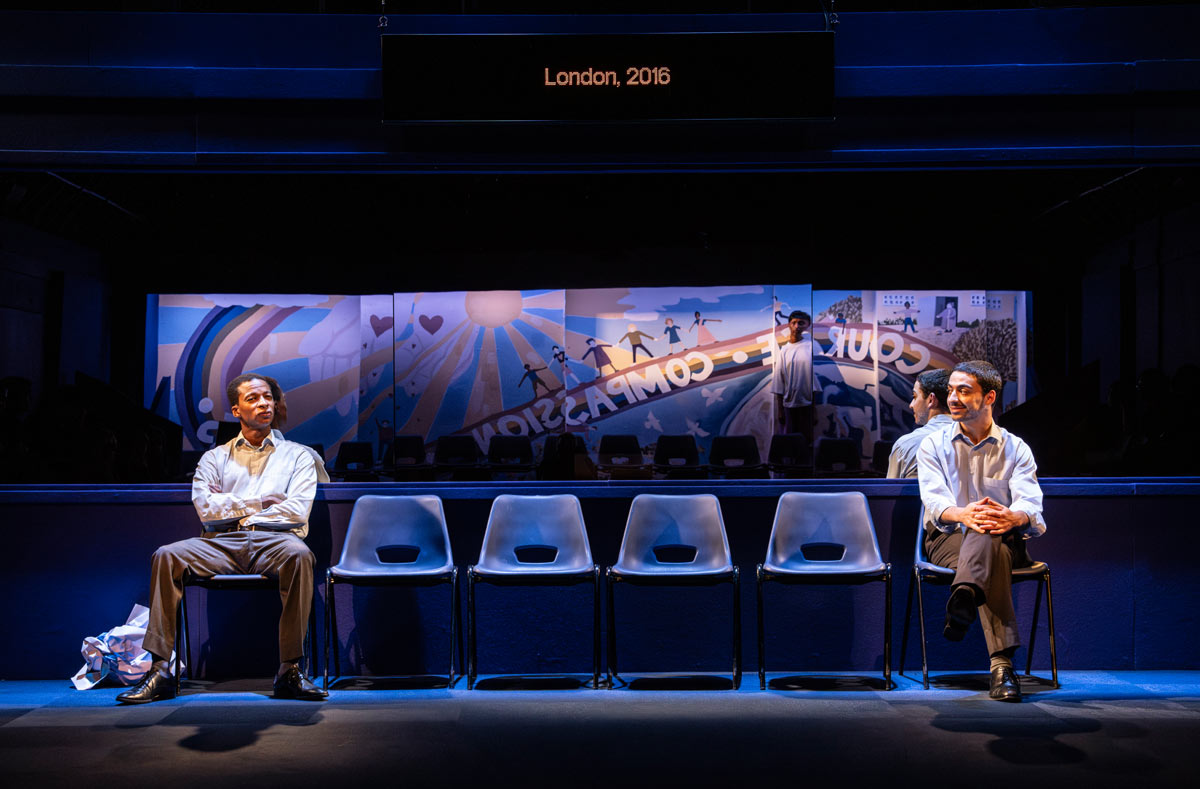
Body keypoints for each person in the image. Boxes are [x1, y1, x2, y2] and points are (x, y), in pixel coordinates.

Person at [116, 373, 325, 703]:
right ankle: (160, 671)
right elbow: (205, 510)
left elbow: (296, 512)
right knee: (167, 554)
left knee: (300, 555)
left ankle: (290, 670)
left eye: (268, 397)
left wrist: (232, 508)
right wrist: (258, 501)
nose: (264, 404)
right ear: (236, 410)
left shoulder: (298, 456)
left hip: (276, 542)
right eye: (253, 399)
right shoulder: (214, 458)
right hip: (220, 543)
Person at [916, 360, 1046, 702]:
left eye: (964, 390)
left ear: (989, 397)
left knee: (991, 531)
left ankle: (966, 594)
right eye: (951, 390)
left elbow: (1031, 506)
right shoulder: (933, 445)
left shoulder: (1016, 449)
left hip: (1006, 535)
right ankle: (1002, 667)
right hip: (948, 538)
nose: (953, 398)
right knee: (988, 538)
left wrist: (1012, 517)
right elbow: (934, 502)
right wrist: (966, 514)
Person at [886, 368, 952, 479]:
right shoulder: (974, 440)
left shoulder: (906, 444)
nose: (911, 405)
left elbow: (890, 492)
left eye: (915, 397)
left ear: (931, 400)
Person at [771, 310, 822, 445]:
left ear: (807, 325)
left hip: (807, 404)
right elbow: (779, 380)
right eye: (794, 323)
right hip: (789, 404)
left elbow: (814, 381)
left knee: (807, 442)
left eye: (801, 323)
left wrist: (814, 409)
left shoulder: (811, 346)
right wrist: (780, 409)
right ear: (789, 325)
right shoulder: (784, 350)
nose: (797, 326)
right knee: (791, 443)